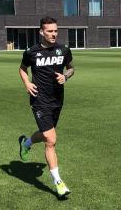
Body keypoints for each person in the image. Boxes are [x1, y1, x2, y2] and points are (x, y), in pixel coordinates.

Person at [18, 17, 75, 198]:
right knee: (51, 140)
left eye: (56, 30)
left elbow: (71, 68)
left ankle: (26, 143)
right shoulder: (31, 52)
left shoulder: (64, 50)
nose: (54, 34)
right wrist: (27, 82)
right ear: (41, 32)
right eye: (50, 31)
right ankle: (58, 183)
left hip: (57, 100)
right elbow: (22, 68)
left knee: (45, 135)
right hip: (39, 100)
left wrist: (66, 77)